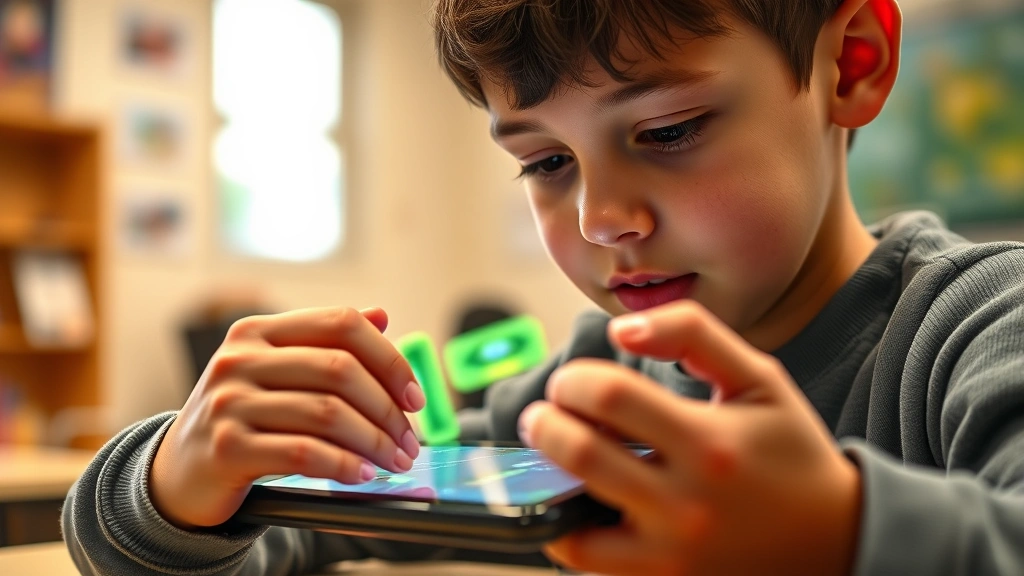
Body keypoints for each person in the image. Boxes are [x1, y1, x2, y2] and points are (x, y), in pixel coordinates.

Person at [63, 0, 1024, 574]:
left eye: (669, 130)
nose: (602, 216)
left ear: (852, 62)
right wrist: (180, 483)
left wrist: (843, 536)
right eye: (547, 162)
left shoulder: (981, 327)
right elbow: (256, 551)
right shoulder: (586, 393)